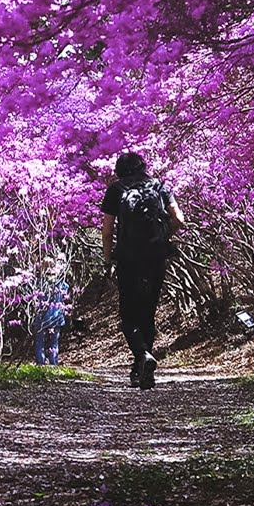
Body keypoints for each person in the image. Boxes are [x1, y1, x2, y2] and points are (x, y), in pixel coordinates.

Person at [101, 152, 184, 389]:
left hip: (128, 257)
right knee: (149, 311)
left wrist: (108, 261)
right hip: (156, 256)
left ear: (119, 170)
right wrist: (162, 237)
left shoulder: (116, 189)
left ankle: (142, 356)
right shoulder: (159, 186)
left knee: (128, 313)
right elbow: (179, 219)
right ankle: (142, 365)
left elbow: (107, 231)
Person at [34, 272, 69, 366]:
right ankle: (53, 362)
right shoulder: (62, 284)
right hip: (56, 316)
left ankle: (40, 362)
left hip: (42, 316)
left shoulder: (38, 283)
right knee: (54, 341)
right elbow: (65, 293)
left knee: (39, 340)